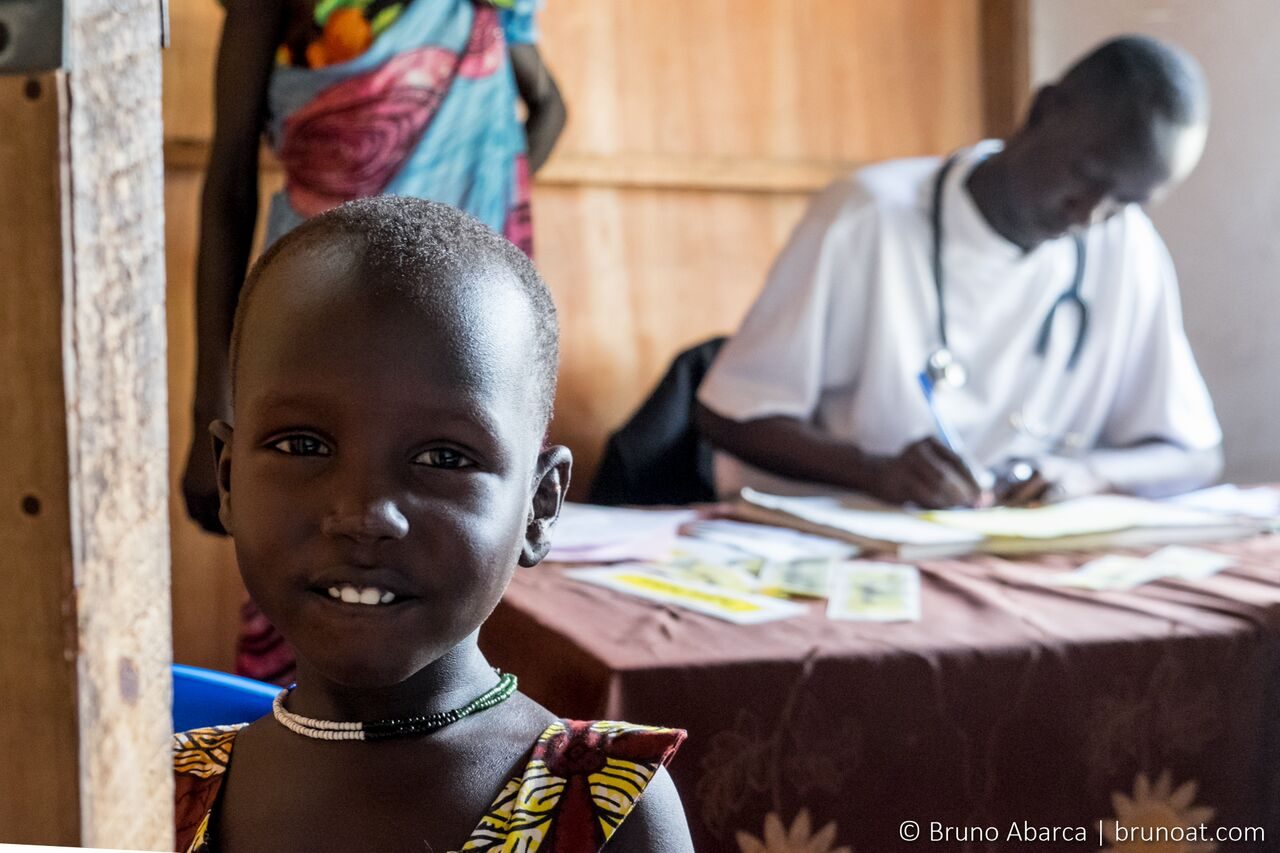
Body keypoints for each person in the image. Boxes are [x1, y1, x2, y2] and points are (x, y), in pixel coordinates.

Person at [172, 197, 692, 852]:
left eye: (444, 458)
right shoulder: (156, 790)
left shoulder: (602, 807)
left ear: (539, 505)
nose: (364, 514)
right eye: (302, 445)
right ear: (226, 479)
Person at [696, 35, 1223, 510]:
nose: (1089, 216)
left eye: (1126, 201)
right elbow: (729, 415)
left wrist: (1086, 474)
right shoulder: (866, 217)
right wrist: (873, 472)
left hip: (1003, 556)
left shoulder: (1127, 248)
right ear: (1042, 111)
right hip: (845, 538)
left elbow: (1196, 455)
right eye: (1085, 175)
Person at [183, 0, 566, 534]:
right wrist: (207, 409)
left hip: (458, 329)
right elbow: (228, 191)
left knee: (449, 531)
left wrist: (477, 195)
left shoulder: (483, 8)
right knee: (310, 534)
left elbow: (550, 106)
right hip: (320, 315)